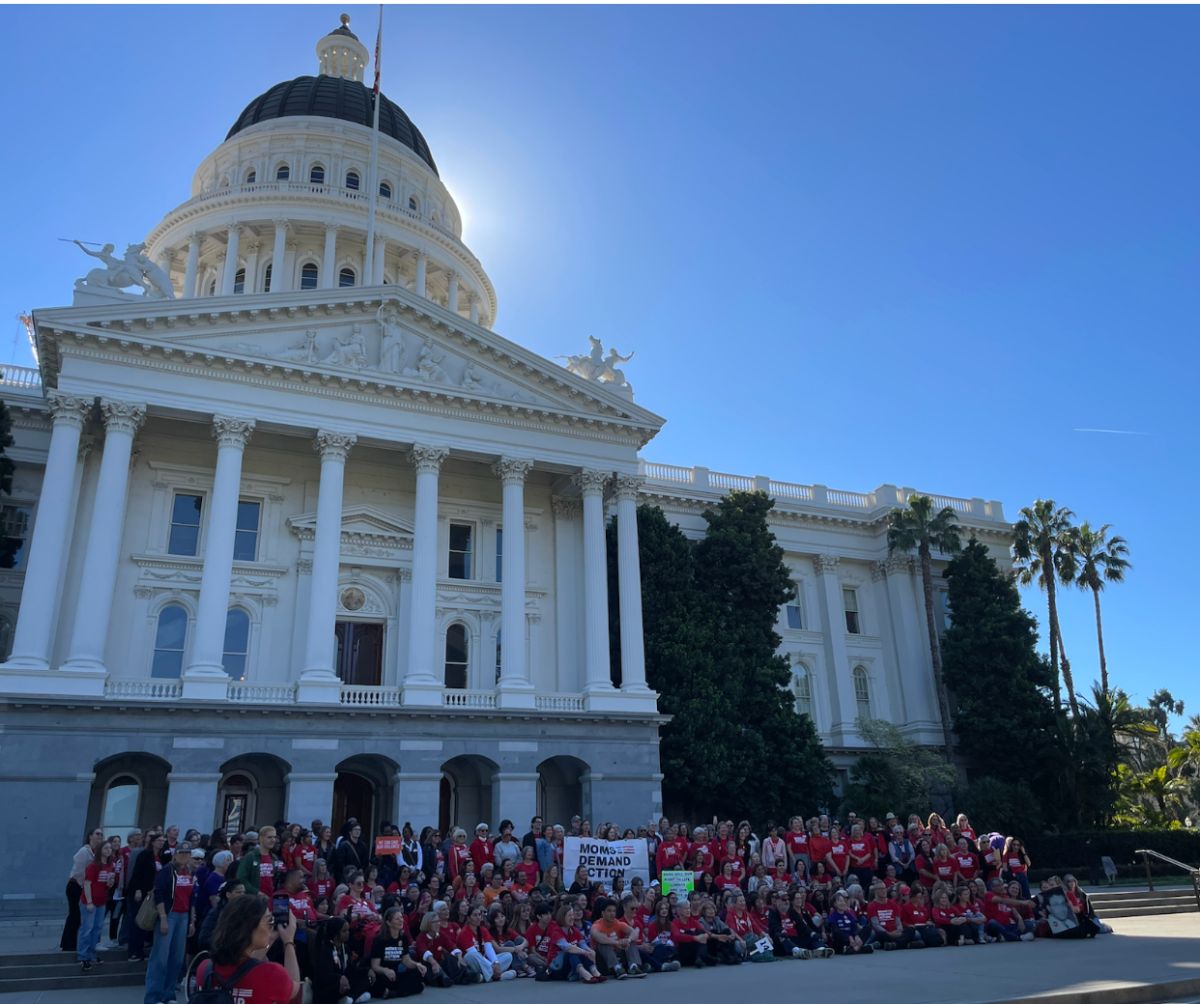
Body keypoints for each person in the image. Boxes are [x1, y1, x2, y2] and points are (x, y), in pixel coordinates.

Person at [193, 894, 300, 1004]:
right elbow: (294, 987)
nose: (271, 925)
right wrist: (288, 942)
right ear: (250, 927)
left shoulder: (205, 969)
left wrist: (270, 939)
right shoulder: (271, 974)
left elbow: (245, 967)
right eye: (269, 920)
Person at [143, 848, 196, 1004]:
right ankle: (153, 997)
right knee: (160, 957)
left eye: (187, 853)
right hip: (169, 914)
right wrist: (163, 917)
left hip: (184, 915)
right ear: (175, 855)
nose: (184, 856)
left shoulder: (190, 872)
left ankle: (168, 994)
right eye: (181, 853)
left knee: (177, 958)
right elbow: (158, 893)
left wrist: (192, 920)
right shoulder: (167, 871)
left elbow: (192, 896)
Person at [61, 827, 104, 953]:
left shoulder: (97, 852)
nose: (99, 836)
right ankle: (68, 944)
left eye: (101, 834)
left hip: (86, 887)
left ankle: (74, 942)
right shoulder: (84, 851)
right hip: (76, 885)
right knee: (75, 914)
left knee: (81, 916)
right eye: (97, 834)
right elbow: (79, 871)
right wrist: (84, 886)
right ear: (90, 836)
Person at [370, 906, 427, 997]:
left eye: (401, 917)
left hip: (396, 974)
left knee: (417, 973)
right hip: (384, 974)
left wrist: (417, 965)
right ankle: (402, 991)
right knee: (417, 986)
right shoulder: (379, 940)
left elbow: (406, 961)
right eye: (397, 919)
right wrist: (385, 970)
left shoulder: (403, 938)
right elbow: (375, 966)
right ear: (388, 922)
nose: (401, 921)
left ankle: (393, 993)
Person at [77, 838, 116, 970]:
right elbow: (87, 884)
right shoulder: (94, 865)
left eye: (110, 848)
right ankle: (83, 956)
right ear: (100, 850)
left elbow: (107, 885)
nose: (108, 850)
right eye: (106, 848)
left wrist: (110, 883)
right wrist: (89, 902)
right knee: (87, 928)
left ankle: (92, 954)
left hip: (101, 901)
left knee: (97, 928)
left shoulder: (110, 865)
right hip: (90, 901)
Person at [589, 897, 648, 977]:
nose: (612, 913)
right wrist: (616, 942)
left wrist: (628, 940)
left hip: (617, 954)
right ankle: (616, 968)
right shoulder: (597, 925)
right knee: (603, 944)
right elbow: (596, 935)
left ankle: (633, 967)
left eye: (614, 911)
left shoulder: (618, 923)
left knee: (630, 941)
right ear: (603, 913)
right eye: (609, 911)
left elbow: (634, 932)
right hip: (601, 959)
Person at [457, 904, 516, 982]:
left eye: (479, 915)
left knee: (508, 955)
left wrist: (496, 963)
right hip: (473, 963)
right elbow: (473, 952)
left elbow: (489, 949)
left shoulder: (483, 930)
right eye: (475, 915)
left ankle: (489, 976)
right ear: (468, 918)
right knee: (471, 955)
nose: (478, 917)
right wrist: (492, 966)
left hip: (485, 963)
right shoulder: (464, 932)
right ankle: (496, 975)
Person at [236, 825, 282, 896]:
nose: (273, 840)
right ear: (261, 838)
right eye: (269, 837)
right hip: (253, 899)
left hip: (270, 899)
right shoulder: (250, 857)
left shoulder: (274, 858)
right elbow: (241, 879)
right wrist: (256, 892)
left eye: (274, 837)